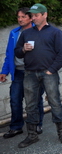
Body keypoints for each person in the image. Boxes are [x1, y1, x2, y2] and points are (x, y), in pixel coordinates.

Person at [14, 4, 62, 148]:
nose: (34, 18)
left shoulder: (55, 32)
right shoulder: (26, 33)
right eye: (32, 15)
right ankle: (32, 135)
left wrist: (51, 70)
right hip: (30, 73)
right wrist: (23, 49)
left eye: (36, 15)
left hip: (48, 73)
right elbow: (17, 52)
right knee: (30, 104)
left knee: (54, 102)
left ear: (45, 15)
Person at [1, 8, 45, 138]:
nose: (20, 19)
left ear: (31, 18)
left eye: (23, 17)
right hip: (18, 72)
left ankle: (37, 124)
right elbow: (9, 54)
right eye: (19, 17)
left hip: (33, 72)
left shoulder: (39, 32)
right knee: (15, 99)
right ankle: (16, 127)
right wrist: (4, 71)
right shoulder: (14, 33)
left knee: (35, 100)